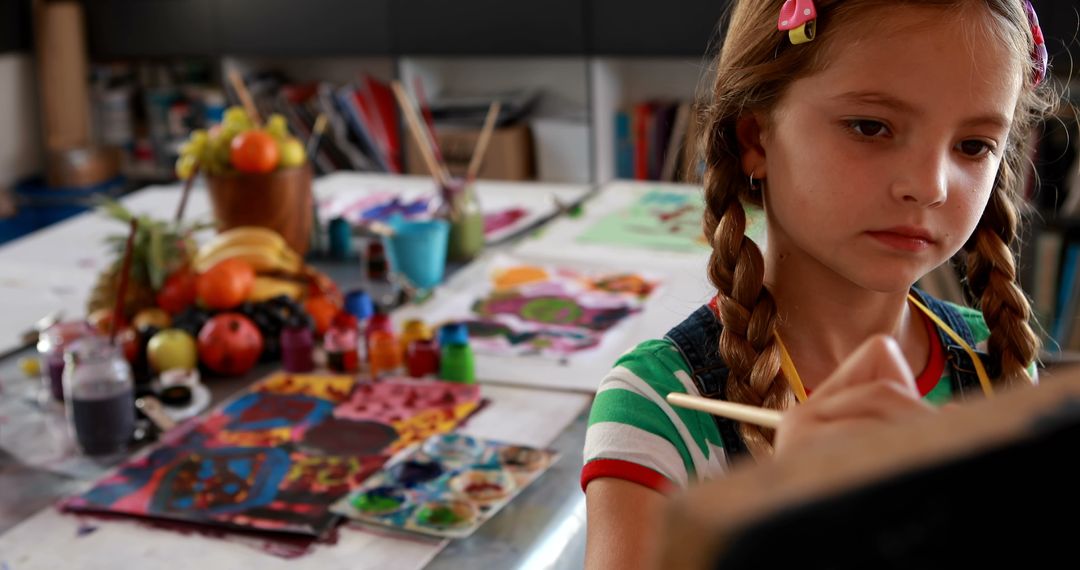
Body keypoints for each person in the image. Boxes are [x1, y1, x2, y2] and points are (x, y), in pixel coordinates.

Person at [582, 1, 1056, 567]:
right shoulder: (657, 410)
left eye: (973, 145)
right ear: (757, 138)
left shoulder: (996, 363)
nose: (929, 185)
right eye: (871, 127)